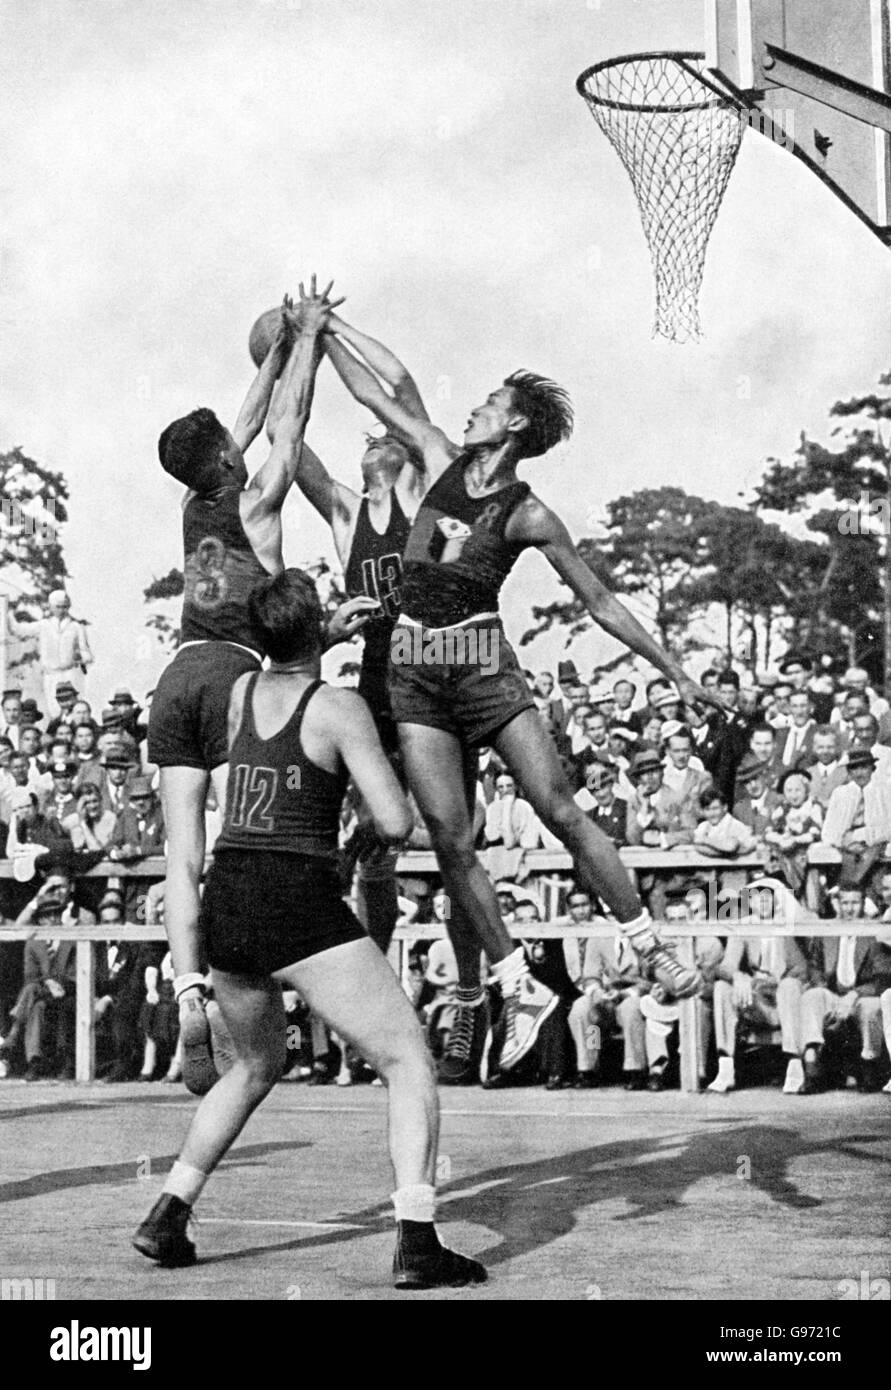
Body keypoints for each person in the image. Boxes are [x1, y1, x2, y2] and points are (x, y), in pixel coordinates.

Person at [324, 324, 714, 1082]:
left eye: (489, 403)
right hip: (412, 663)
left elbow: (598, 600)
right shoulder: (436, 457)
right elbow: (375, 391)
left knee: (558, 807)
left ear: (516, 425)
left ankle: (645, 942)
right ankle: (513, 983)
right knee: (447, 835)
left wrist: (673, 670)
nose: (472, 409)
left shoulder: (526, 511)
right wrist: (324, 329)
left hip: (479, 662)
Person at [133, 568, 485, 1289]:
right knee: (407, 1061)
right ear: (318, 628)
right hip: (295, 898)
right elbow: (394, 821)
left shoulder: (237, 694)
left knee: (255, 1064)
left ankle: (168, 1211)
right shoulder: (340, 707)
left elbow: (281, 665)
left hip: (226, 898)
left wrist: (308, 634)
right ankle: (416, 1239)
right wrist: (357, 824)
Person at [146, 284, 369, 1095]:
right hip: (240, 677)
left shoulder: (193, 501)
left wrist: (269, 354)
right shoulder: (260, 500)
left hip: (177, 675)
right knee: (247, 845)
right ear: (232, 463)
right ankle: (280, 993)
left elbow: (240, 426)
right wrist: (303, 340)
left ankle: (187, 989)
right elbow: (291, 420)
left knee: (182, 855)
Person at [293, 314, 428, 955]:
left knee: (449, 832)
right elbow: (287, 447)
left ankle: (469, 987)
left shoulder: (426, 492)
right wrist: (297, 354)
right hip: (378, 671)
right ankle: (372, 950)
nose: (376, 438)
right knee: (379, 844)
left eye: (386, 435)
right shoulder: (348, 514)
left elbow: (398, 386)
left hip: (435, 662)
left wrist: (333, 332)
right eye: (367, 438)